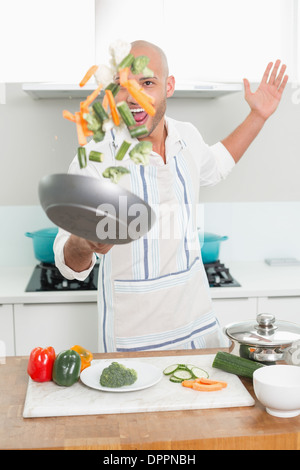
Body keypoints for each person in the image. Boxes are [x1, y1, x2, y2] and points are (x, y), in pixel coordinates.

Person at [54, 40, 288, 352]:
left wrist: (258, 115)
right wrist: (84, 242)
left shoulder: (186, 137)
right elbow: (67, 263)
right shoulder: (96, 155)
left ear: (169, 86)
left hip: (200, 332)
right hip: (133, 343)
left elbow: (216, 164)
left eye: (147, 82)